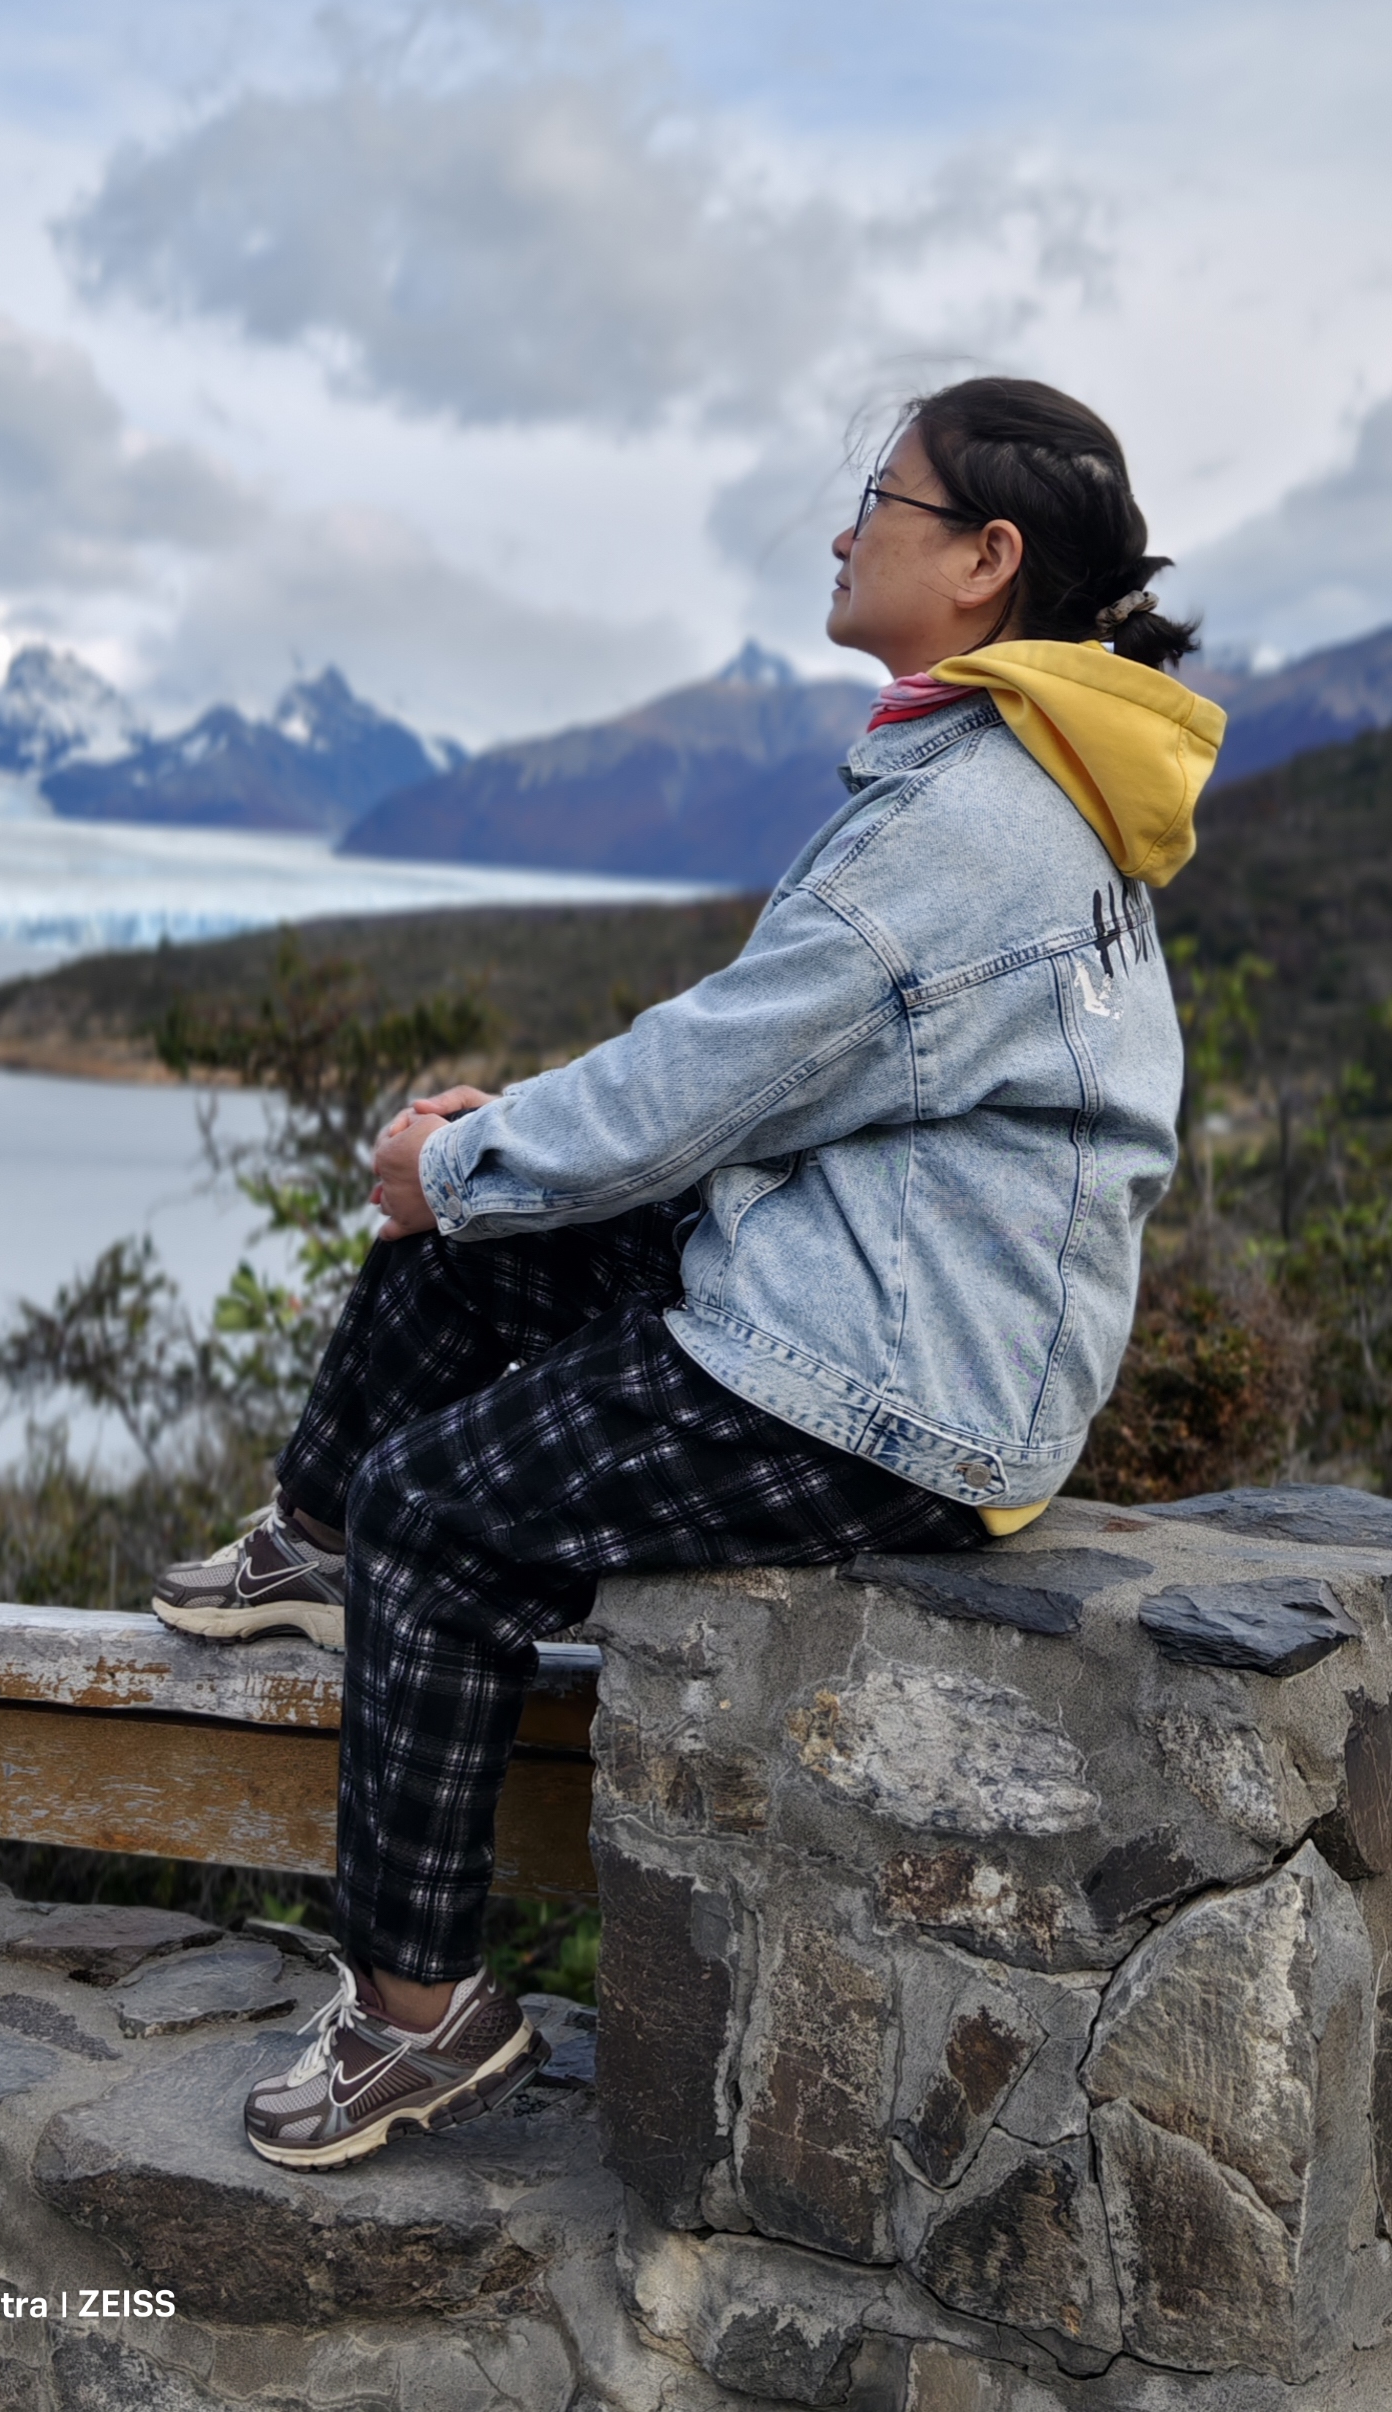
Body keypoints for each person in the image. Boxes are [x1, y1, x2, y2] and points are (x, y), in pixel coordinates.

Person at [152, 374, 1225, 2170]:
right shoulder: (999, 773)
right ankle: (313, 1546)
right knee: (478, 1244)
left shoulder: (969, 827)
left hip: (897, 1387)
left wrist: (460, 1163)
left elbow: (717, 1070)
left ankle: (419, 2014)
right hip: (876, 1286)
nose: (844, 528)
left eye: (880, 498)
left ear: (985, 559)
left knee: (442, 1513)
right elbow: (763, 1061)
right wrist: (498, 1164)